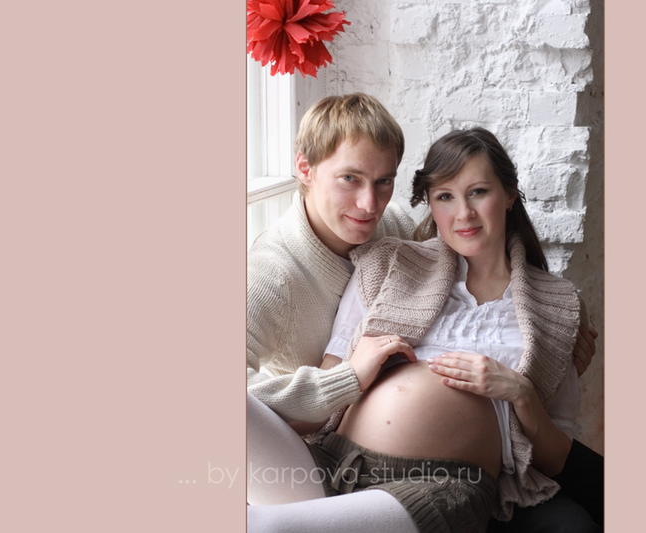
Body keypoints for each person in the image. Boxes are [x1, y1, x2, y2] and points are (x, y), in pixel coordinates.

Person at [246, 95, 600, 530]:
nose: (368, 204)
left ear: (510, 194)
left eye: (479, 192)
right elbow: (328, 384)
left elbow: (558, 449)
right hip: (333, 462)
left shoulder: (557, 306)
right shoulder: (382, 261)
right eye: (445, 197)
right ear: (431, 204)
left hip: (439, 484)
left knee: (268, 527)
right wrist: (351, 375)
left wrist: (522, 392)